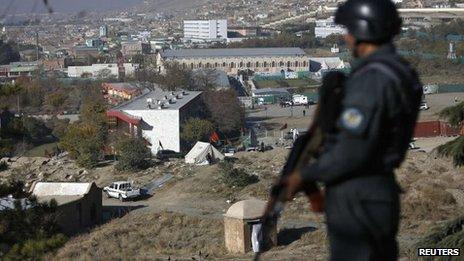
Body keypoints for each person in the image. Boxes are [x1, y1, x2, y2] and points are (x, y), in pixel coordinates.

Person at [284, 0, 423, 260]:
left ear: (363, 32)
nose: (346, 37)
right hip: (377, 191)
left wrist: (303, 174)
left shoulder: (371, 80)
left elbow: (351, 151)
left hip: (358, 197)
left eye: (349, 29)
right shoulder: (401, 71)